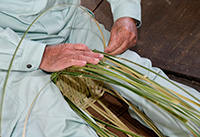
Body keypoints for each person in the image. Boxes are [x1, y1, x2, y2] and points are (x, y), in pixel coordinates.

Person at [0, 0, 199, 137]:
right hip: (10, 50)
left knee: (148, 85)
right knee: (53, 125)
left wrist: (125, 14)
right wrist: (38, 54)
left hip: (65, 18)